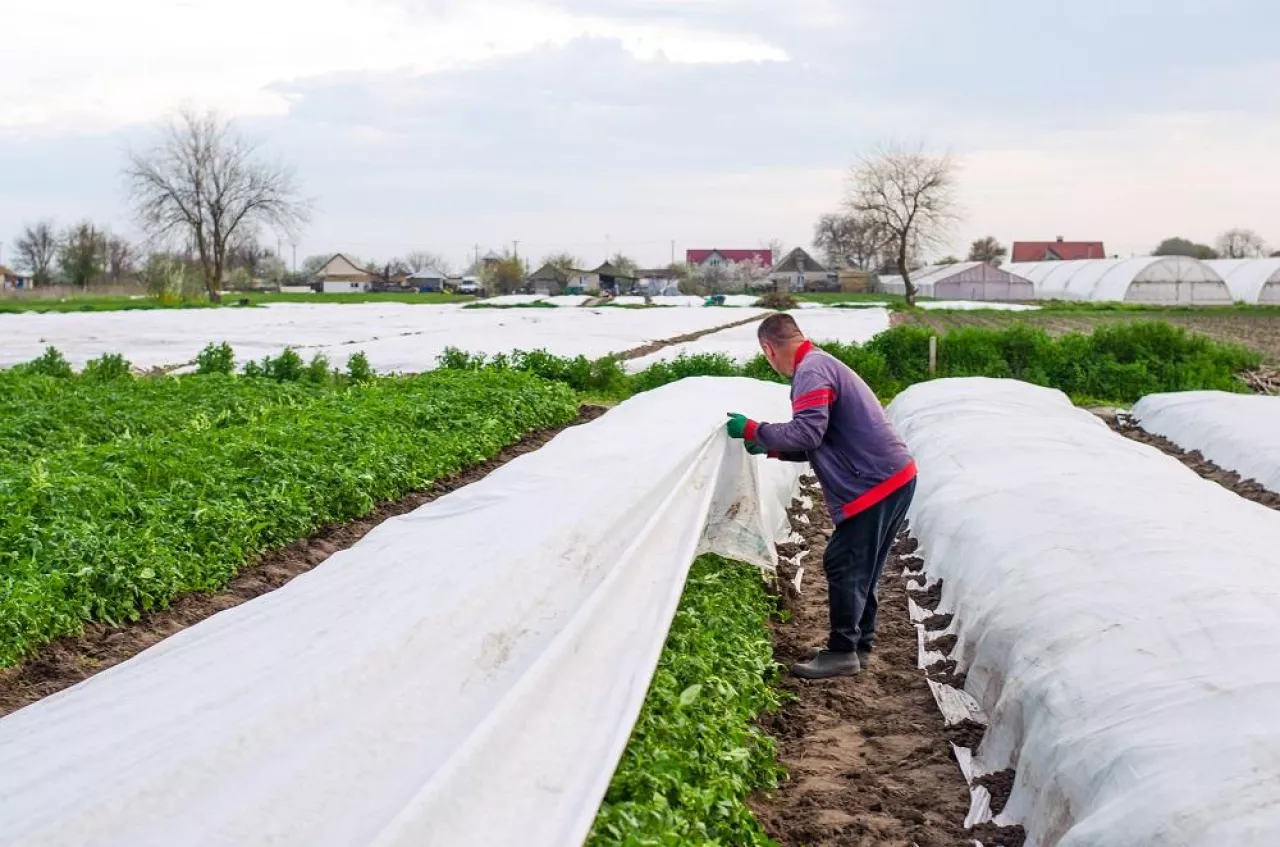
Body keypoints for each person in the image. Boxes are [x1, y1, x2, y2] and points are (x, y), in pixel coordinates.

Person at [726, 313, 916, 680]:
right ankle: (858, 646)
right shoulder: (820, 363)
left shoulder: (810, 372)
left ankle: (843, 652)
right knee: (862, 567)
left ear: (769, 349)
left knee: (844, 563)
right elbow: (822, 438)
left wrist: (753, 429)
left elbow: (808, 434)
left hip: (874, 481)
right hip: (892, 477)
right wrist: (770, 448)